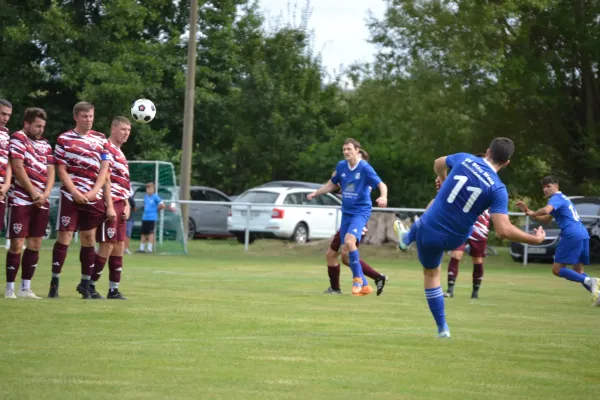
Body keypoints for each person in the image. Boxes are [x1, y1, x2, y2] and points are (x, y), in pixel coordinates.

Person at [394, 138, 546, 338]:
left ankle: (443, 327)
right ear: (507, 162)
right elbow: (503, 230)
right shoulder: (498, 189)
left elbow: (438, 163)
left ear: (487, 150)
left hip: (430, 232)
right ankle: (407, 238)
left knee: (431, 274)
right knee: (436, 205)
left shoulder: (465, 159)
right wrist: (534, 239)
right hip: (457, 237)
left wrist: (444, 178)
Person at [47, 101, 113, 299]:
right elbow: (61, 170)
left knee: (89, 239)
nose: (89, 120)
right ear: (76, 117)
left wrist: (93, 192)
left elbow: (104, 169)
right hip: (70, 196)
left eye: (91, 116)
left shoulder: (101, 139)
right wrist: (75, 192)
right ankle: (54, 284)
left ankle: (85, 284)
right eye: (85, 116)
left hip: (93, 197)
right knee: (64, 237)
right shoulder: (64, 139)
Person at [308, 138, 388, 296]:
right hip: (347, 214)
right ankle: (367, 283)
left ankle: (358, 279)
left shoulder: (365, 168)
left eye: (349, 149)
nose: (346, 152)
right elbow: (332, 185)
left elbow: (381, 184)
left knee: (349, 245)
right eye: (344, 149)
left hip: (360, 213)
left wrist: (383, 196)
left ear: (357, 150)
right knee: (341, 256)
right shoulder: (341, 166)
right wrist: (316, 193)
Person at [516, 176, 599, 305]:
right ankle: (598, 295)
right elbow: (546, 219)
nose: (545, 189)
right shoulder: (563, 199)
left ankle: (590, 281)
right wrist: (529, 212)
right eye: (543, 187)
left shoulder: (557, 198)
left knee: (557, 269)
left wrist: (534, 213)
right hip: (582, 234)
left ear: (557, 186)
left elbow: (545, 210)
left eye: (548, 186)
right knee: (578, 271)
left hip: (571, 234)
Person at [4, 108, 54, 299]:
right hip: (21, 199)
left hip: (41, 200)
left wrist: (46, 193)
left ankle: (26, 287)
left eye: (42, 126)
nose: (40, 129)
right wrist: (33, 193)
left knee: (36, 243)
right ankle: (10, 287)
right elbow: (17, 167)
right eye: (37, 126)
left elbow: (51, 171)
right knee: (17, 243)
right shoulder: (17, 138)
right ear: (26, 123)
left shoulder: (46, 145)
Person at [90, 116, 131, 300]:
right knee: (106, 245)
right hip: (111, 202)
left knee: (119, 246)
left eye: (128, 130)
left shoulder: (121, 153)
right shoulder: (107, 149)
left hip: (121, 203)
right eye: (123, 129)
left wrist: (127, 203)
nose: (126, 133)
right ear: (113, 129)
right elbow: (106, 178)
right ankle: (89, 285)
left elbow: (122, 182)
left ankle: (113, 289)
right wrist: (109, 205)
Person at [443, 154, 491, 300]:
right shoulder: (464, 180)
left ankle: (475, 292)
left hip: (480, 228)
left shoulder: (490, 182)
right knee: (456, 255)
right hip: (461, 224)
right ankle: (450, 290)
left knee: (477, 260)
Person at [137, 182, 164, 253]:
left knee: (150, 233)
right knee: (143, 233)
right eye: (147, 188)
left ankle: (149, 249)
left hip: (152, 217)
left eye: (150, 188)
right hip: (145, 217)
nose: (148, 190)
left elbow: (162, 205)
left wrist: (156, 210)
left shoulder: (155, 197)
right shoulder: (145, 196)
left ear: (153, 189)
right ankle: (141, 249)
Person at [0, 99, 13, 240]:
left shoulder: (5, 133)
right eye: (3, 114)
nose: (5, 118)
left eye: (8, 115)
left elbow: (8, 161)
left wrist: (7, 185)